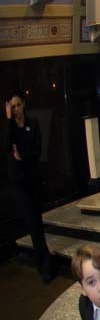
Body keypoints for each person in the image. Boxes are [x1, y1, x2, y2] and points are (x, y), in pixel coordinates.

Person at [5, 92, 52, 282]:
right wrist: (8, 120)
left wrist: (21, 154)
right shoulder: (9, 127)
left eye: (17, 105)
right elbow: (6, 145)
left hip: (32, 178)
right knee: (32, 224)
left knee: (37, 223)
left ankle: (46, 262)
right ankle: (44, 267)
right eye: (12, 107)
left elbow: (37, 149)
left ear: (23, 105)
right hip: (18, 182)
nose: (16, 109)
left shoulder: (32, 124)